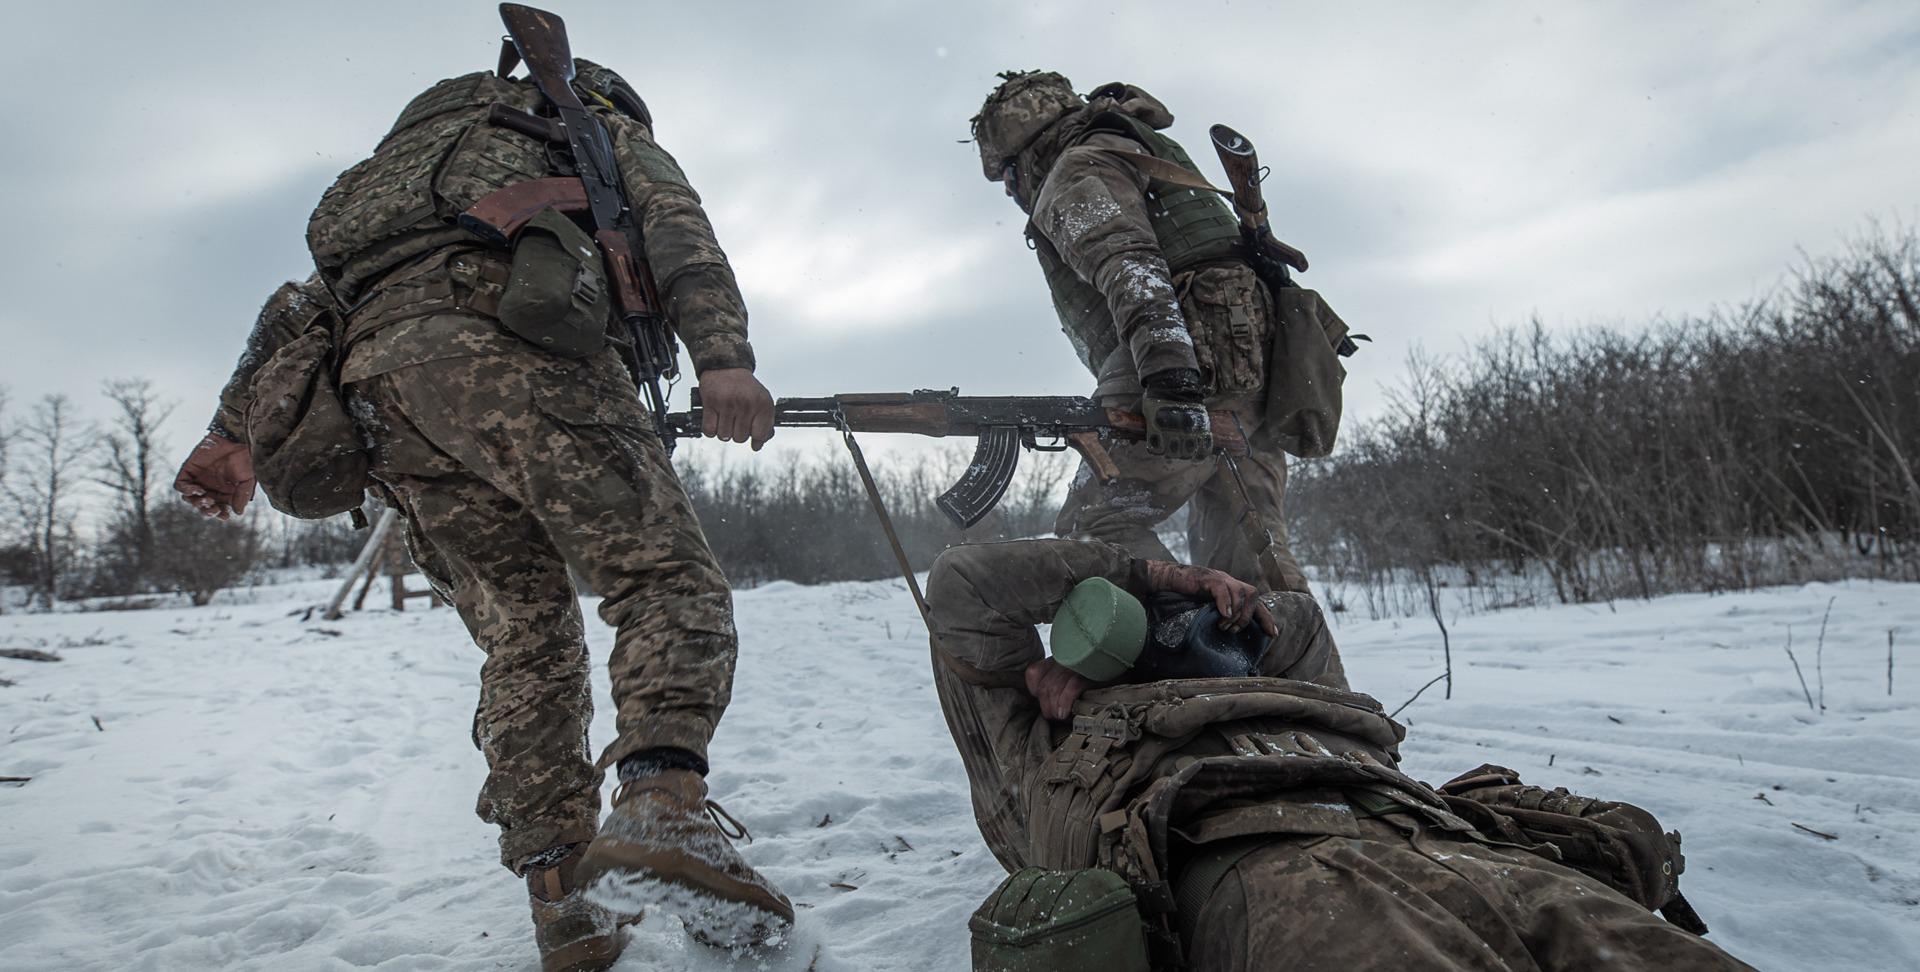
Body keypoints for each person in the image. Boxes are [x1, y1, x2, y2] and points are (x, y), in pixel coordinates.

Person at [173, 50, 789, 972]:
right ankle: (664, 806)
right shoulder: (585, 129)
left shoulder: (387, 178)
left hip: (384, 403)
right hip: (515, 348)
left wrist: (229, 431)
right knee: (660, 573)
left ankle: (562, 900)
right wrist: (723, 358)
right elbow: (675, 225)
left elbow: (299, 306)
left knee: (525, 636)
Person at [924, 539, 1757, 971]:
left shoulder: (1273, 668)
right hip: (1259, 881)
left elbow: (1296, 616)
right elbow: (965, 581)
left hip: (1448, 845)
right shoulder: (1029, 737)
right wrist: (1127, 577)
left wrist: (1186, 587)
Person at [970, 71, 1319, 594]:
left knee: (1094, 533)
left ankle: (1186, 650)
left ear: (1020, 157)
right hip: (1255, 365)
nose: (1013, 193)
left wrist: (1171, 382)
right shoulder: (1136, 143)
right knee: (1253, 553)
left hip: (1190, 353)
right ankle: (1295, 669)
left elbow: (1131, 265)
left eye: (1007, 179)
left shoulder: (1076, 168)